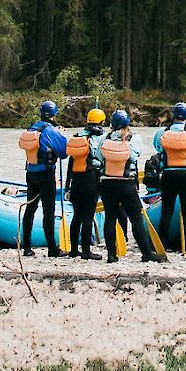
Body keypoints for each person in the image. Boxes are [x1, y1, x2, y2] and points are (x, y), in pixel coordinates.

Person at [94, 110, 162, 262]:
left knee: (110, 218)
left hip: (107, 184)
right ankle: (146, 253)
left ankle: (111, 255)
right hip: (126, 184)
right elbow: (135, 155)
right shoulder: (134, 139)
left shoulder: (104, 139)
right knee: (136, 218)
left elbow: (98, 157)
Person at [17, 101, 68, 256]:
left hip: (31, 173)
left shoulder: (32, 128)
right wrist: (62, 135)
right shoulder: (50, 131)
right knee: (48, 210)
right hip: (46, 174)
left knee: (30, 209)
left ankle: (26, 248)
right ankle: (52, 249)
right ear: (53, 115)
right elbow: (64, 153)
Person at [153, 102, 186, 255]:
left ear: (173, 116)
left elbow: (158, 148)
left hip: (168, 174)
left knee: (166, 211)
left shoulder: (162, 132)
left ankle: (162, 246)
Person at [65, 110, 104, 260]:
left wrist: (68, 186)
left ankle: (74, 249)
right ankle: (86, 251)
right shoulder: (99, 138)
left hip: (76, 180)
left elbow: (70, 164)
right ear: (101, 122)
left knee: (77, 216)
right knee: (88, 216)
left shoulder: (77, 137)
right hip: (91, 179)